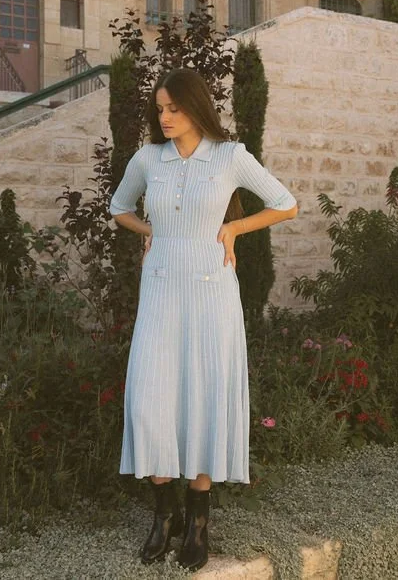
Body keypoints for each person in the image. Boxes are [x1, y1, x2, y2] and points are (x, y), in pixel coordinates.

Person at [108, 68, 298, 571]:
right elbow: (118, 207)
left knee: (205, 393)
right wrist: (149, 229)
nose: (164, 117)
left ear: (196, 107)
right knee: (153, 396)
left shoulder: (230, 156)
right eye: (160, 109)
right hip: (162, 288)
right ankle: (162, 513)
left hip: (212, 291)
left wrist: (234, 227)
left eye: (173, 108)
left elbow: (286, 204)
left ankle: (197, 522)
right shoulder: (149, 158)